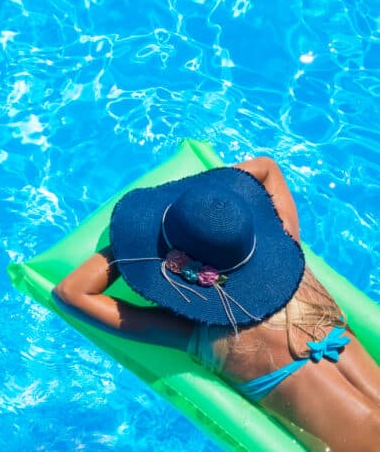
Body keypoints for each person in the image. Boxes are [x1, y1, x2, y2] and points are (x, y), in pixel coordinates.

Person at [53, 156, 380, 451]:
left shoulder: (200, 333)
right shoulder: (291, 257)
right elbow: (266, 168)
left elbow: (71, 293)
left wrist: (134, 246)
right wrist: (215, 204)